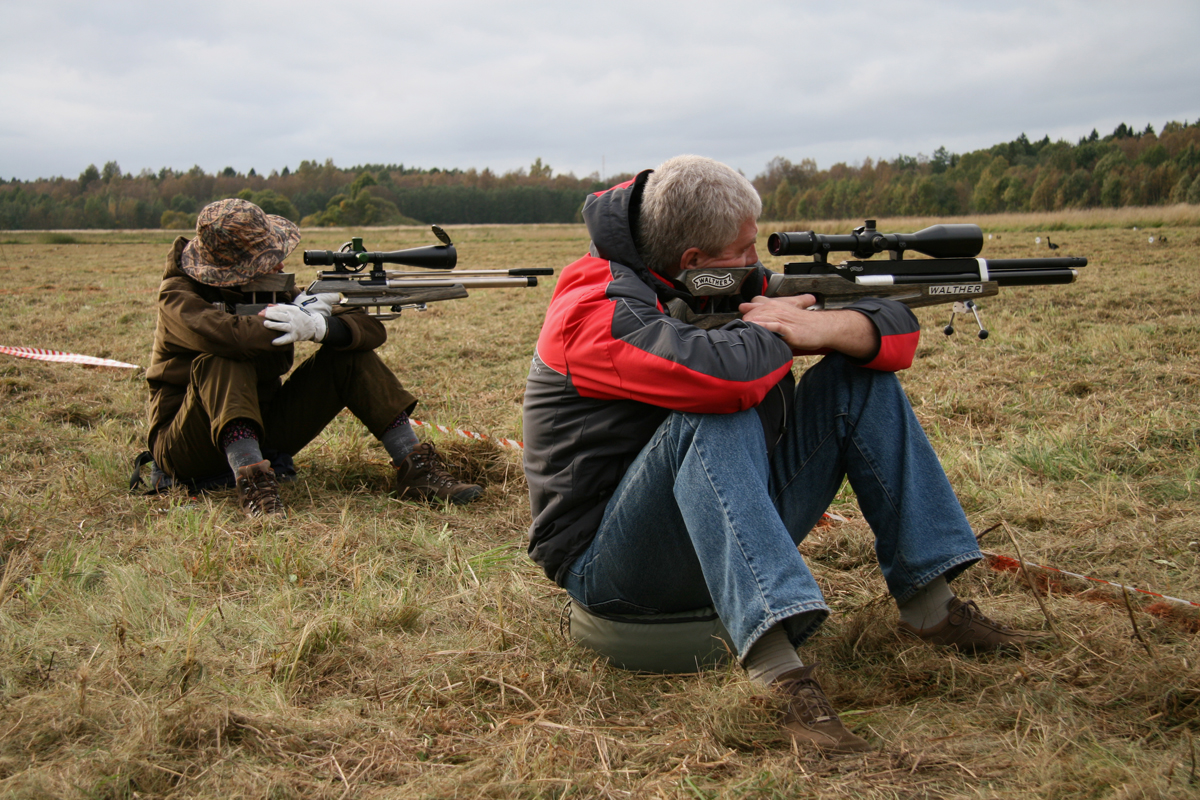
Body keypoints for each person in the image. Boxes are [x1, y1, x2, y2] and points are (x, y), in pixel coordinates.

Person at [522, 156, 1043, 754]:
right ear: (693, 260)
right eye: (743, 251)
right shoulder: (591, 310)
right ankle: (781, 678)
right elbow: (723, 378)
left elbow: (893, 329)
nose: (755, 265)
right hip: (614, 571)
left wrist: (825, 329)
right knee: (719, 407)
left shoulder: (714, 279)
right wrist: (785, 329)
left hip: (714, 527)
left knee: (858, 383)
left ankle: (931, 606)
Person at [144, 198, 481, 516]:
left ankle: (415, 470)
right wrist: (292, 315)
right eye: (265, 260)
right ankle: (254, 486)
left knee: (348, 357)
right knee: (220, 360)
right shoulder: (177, 296)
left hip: (265, 429)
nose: (279, 263)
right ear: (235, 270)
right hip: (186, 446)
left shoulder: (269, 288)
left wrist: (320, 326)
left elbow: (370, 330)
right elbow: (228, 336)